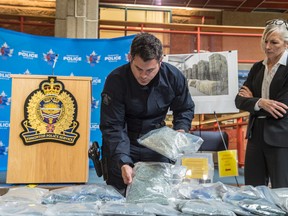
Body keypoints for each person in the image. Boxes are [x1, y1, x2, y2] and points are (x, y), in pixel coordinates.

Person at [100, 32, 195, 194]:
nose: (143, 75)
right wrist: (123, 161)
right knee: (119, 195)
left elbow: (184, 108)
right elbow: (113, 126)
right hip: (124, 141)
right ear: (130, 57)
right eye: (138, 68)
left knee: (158, 194)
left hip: (157, 143)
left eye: (150, 70)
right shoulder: (116, 80)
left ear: (160, 61)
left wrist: (180, 130)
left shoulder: (173, 77)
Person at [235, 19, 288, 188]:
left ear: (286, 44)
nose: (267, 47)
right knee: (253, 189)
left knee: (282, 191)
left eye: (274, 42)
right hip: (255, 136)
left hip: (281, 137)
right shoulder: (257, 68)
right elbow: (239, 101)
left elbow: (281, 109)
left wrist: (253, 102)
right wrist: (261, 102)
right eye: (265, 41)